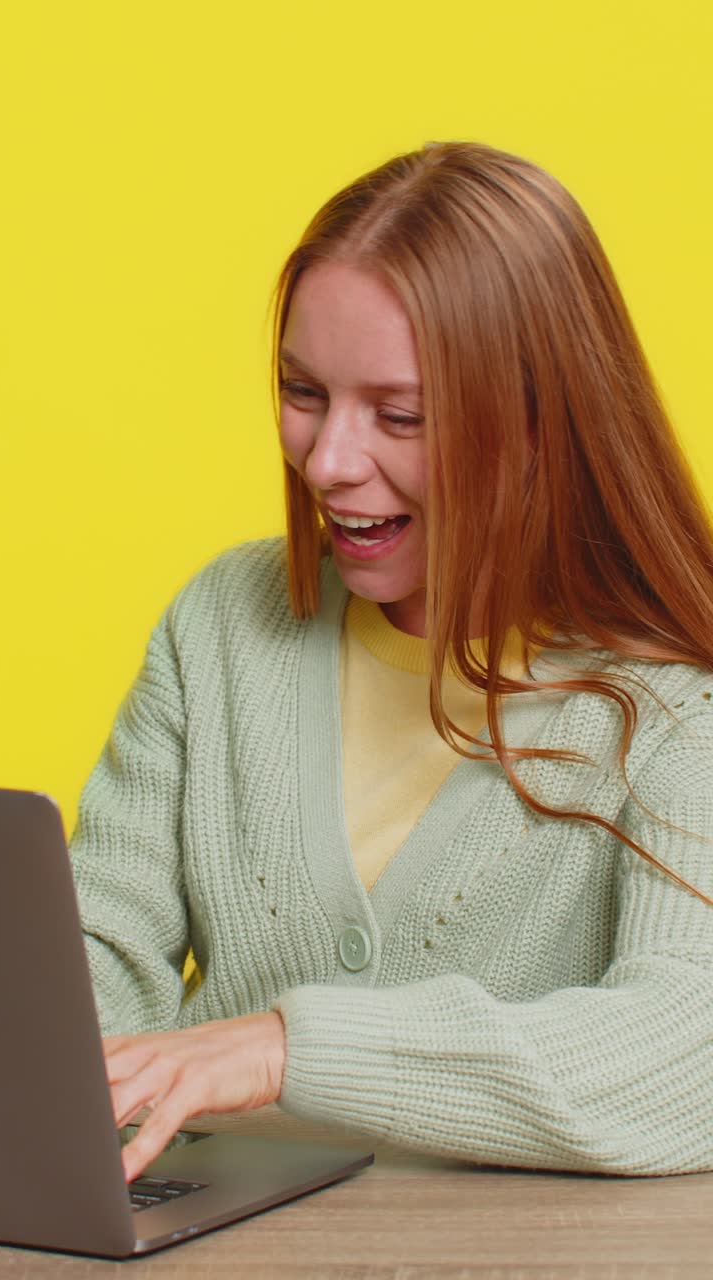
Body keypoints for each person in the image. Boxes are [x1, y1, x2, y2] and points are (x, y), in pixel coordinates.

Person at [69, 140, 713, 1185]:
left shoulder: (677, 704)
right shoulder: (221, 624)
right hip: (214, 1244)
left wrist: (285, 1049)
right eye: (303, 392)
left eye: (401, 414)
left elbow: (688, 1051)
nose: (327, 461)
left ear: (544, 420)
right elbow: (95, 955)